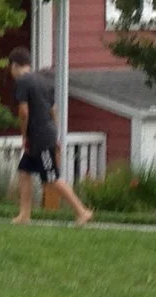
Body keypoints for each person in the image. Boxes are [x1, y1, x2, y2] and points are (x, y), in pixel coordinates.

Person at [7, 48, 94, 226]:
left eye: (11, 68)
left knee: (52, 177)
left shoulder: (22, 82)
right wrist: (55, 135)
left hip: (38, 137)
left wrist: (24, 136)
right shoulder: (43, 81)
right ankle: (24, 214)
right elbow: (53, 110)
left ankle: (82, 211)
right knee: (24, 172)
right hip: (48, 132)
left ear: (14, 65)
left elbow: (24, 112)